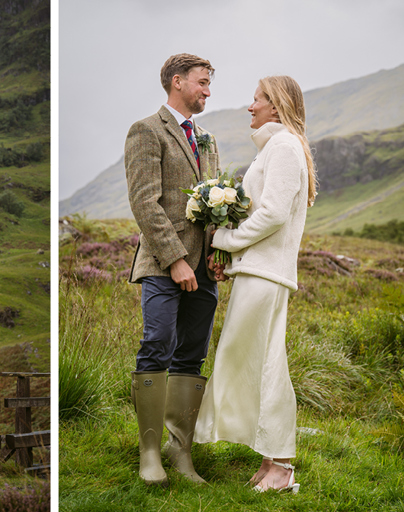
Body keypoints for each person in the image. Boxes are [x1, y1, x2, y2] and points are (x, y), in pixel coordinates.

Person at [194, 75, 318, 493]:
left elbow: (273, 215)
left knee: (266, 363)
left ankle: (282, 466)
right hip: (259, 270)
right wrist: (230, 255)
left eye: (257, 99)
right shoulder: (276, 148)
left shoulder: (283, 148)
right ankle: (271, 460)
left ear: (277, 105)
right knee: (252, 360)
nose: (250, 107)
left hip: (267, 274)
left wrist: (225, 240)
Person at [125, 53, 221, 486]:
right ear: (176, 81)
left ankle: (179, 451)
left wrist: (217, 254)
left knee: (192, 353)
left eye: (208, 83)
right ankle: (149, 454)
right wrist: (176, 259)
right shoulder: (146, 131)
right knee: (157, 343)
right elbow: (145, 201)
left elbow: (214, 202)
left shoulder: (209, 139)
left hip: (206, 268)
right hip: (164, 264)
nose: (206, 90)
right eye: (201, 82)